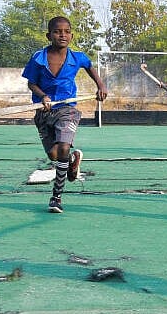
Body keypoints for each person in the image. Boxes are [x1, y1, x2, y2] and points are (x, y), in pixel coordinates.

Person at [21, 16, 107, 213]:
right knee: (54, 154)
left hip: (67, 110)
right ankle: (71, 162)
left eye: (67, 31)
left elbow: (90, 68)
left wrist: (101, 86)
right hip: (43, 111)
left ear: (72, 35)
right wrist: (42, 96)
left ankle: (56, 197)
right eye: (57, 31)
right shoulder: (38, 58)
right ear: (48, 35)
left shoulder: (77, 57)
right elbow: (31, 83)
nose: (62, 35)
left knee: (63, 147)